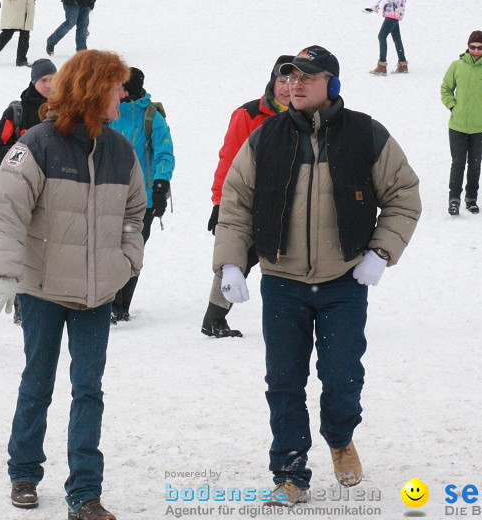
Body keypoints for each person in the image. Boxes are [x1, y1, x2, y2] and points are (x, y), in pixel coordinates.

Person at [213, 45, 421, 507]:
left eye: (307, 77)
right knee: (284, 380)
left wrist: (381, 253)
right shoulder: (265, 137)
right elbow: (235, 204)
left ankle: (341, 437)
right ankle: (289, 473)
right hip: (283, 282)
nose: (295, 84)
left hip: (343, 282)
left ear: (332, 83)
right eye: (289, 77)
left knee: (342, 375)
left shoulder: (366, 134)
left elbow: (404, 195)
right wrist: (230, 263)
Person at [0, 49, 145, 520]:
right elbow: (4, 213)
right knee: (38, 383)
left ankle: (85, 493)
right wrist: (4, 273)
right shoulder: (36, 144)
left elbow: (135, 214)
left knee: (88, 390)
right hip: (42, 289)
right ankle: (25, 473)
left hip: (96, 294)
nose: (124, 94)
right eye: (117, 86)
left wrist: (125, 261)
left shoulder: (120, 150)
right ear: (95, 89)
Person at [203, 55, 293, 339]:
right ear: (272, 81)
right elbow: (228, 159)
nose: (287, 88)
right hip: (252, 201)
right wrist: (220, 203)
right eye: (282, 81)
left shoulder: (308, 117)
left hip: (292, 202)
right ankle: (214, 318)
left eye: (293, 81)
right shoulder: (249, 114)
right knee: (238, 257)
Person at [107, 67, 175, 323]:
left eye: (124, 87)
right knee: (109, 248)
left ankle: (122, 304)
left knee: (133, 249)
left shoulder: (151, 116)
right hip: (109, 194)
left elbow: (164, 153)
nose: (120, 92)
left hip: (141, 200)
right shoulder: (108, 111)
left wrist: (160, 185)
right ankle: (110, 302)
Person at [440, 31, 482, 216]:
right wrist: (453, 106)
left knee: (475, 163)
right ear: (468, 47)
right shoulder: (457, 66)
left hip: (481, 126)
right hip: (457, 125)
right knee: (457, 163)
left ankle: (471, 199)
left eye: (480, 47)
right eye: (473, 47)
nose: (476, 50)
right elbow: (446, 88)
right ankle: (453, 200)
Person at [0, 58, 55, 170]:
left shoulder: (66, 108)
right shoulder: (17, 112)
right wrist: (27, 156)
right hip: (24, 180)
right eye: (43, 80)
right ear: (34, 81)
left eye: (52, 80)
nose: (48, 85)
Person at [369, 0, 411, 75]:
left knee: (381, 36)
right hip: (389, 12)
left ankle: (382, 66)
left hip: (395, 12)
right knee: (396, 38)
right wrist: (376, 6)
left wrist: (387, 0)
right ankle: (403, 64)